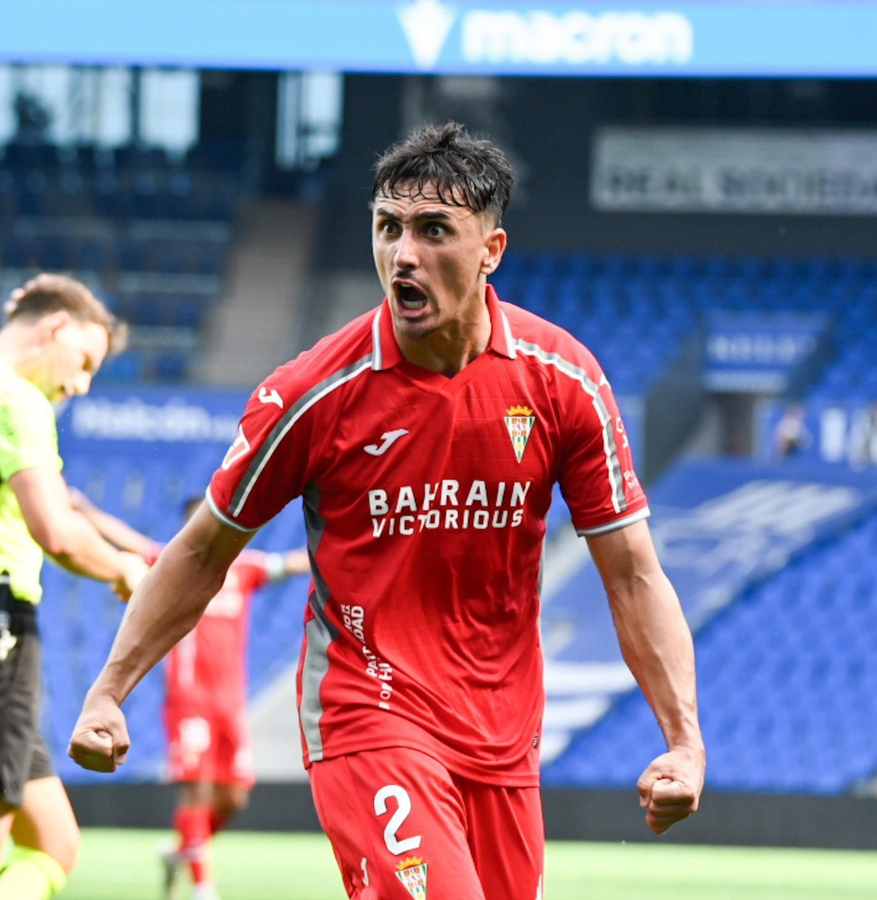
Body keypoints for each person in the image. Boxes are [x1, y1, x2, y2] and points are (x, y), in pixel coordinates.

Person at [68, 123, 705, 900]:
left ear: (490, 251)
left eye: (434, 230)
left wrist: (684, 739)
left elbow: (634, 575)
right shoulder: (312, 394)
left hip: (503, 736)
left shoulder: (563, 381)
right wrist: (109, 689)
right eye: (387, 228)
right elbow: (203, 550)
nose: (403, 253)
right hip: (368, 712)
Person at [0, 274, 149, 900]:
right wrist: (125, 568)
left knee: (54, 841)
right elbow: (57, 533)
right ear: (56, 326)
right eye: (85, 362)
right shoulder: (13, 400)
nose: (81, 384)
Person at [72, 492, 307, 900]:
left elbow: (294, 562)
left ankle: (181, 851)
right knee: (197, 787)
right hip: (190, 699)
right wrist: (88, 512)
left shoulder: (244, 569)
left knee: (234, 797)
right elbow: (129, 541)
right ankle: (203, 886)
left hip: (230, 702)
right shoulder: (175, 564)